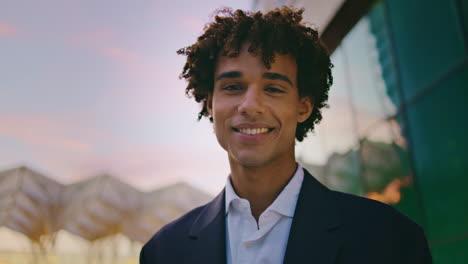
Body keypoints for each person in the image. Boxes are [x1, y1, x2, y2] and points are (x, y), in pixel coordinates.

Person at [140, 6, 432, 264]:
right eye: (232, 87)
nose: (251, 105)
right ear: (210, 104)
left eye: (273, 88)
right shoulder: (163, 252)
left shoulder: (390, 239)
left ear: (303, 107)